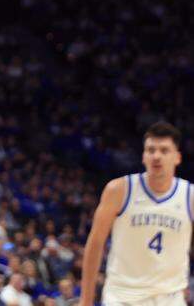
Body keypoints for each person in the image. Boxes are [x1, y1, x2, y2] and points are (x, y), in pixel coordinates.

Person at [79, 121, 190, 306]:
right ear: (143, 156)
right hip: (123, 297)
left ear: (177, 157)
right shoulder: (119, 190)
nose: (156, 156)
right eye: (150, 150)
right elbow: (95, 243)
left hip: (170, 299)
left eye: (164, 151)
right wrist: (85, 300)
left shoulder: (190, 196)